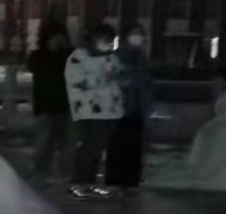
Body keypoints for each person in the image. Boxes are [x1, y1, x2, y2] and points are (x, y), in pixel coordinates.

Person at [64, 22, 125, 199]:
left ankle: (88, 182)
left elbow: (119, 76)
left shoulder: (112, 57)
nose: (107, 42)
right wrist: (102, 79)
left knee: (98, 147)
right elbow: (76, 80)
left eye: (110, 39)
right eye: (104, 39)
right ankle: (79, 182)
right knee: (90, 146)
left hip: (110, 109)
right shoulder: (80, 56)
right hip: (89, 109)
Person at [105, 22, 152, 192]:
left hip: (136, 109)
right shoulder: (118, 56)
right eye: (135, 33)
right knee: (118, 145)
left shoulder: (142, 58)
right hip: (119, 108)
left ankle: (130, 181)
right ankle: (115, 180)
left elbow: (146, 85)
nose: (138, 37)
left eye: (140, 33)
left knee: (134, 146)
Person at [26, 17, 73, 181]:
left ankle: (65, 173)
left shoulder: (69, 55)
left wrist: (63, 51)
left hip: (65, 106)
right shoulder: (38, 56)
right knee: (43, 142)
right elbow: (36, 68)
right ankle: (41, 171)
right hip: (44, 106)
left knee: (65, 144)